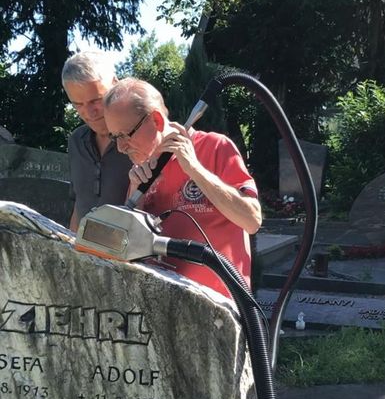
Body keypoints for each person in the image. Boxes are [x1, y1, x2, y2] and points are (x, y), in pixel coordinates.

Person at [102, 77, 262, 298]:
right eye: (114, 137)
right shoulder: (142, 173)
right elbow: (124, 248)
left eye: (125, 135)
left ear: (156, 121)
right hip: (164, 309)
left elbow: (252, 220)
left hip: (220, 311)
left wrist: (194, 169)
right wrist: (135, 198)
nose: (120, 147)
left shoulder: (215, 147)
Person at [62, 50, 132, 231]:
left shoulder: (142, 139)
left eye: (96, 100)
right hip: (84, 254)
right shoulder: (76, 141)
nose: (88, 113)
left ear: (116, 85)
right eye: (78, 104)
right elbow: (79, 205)